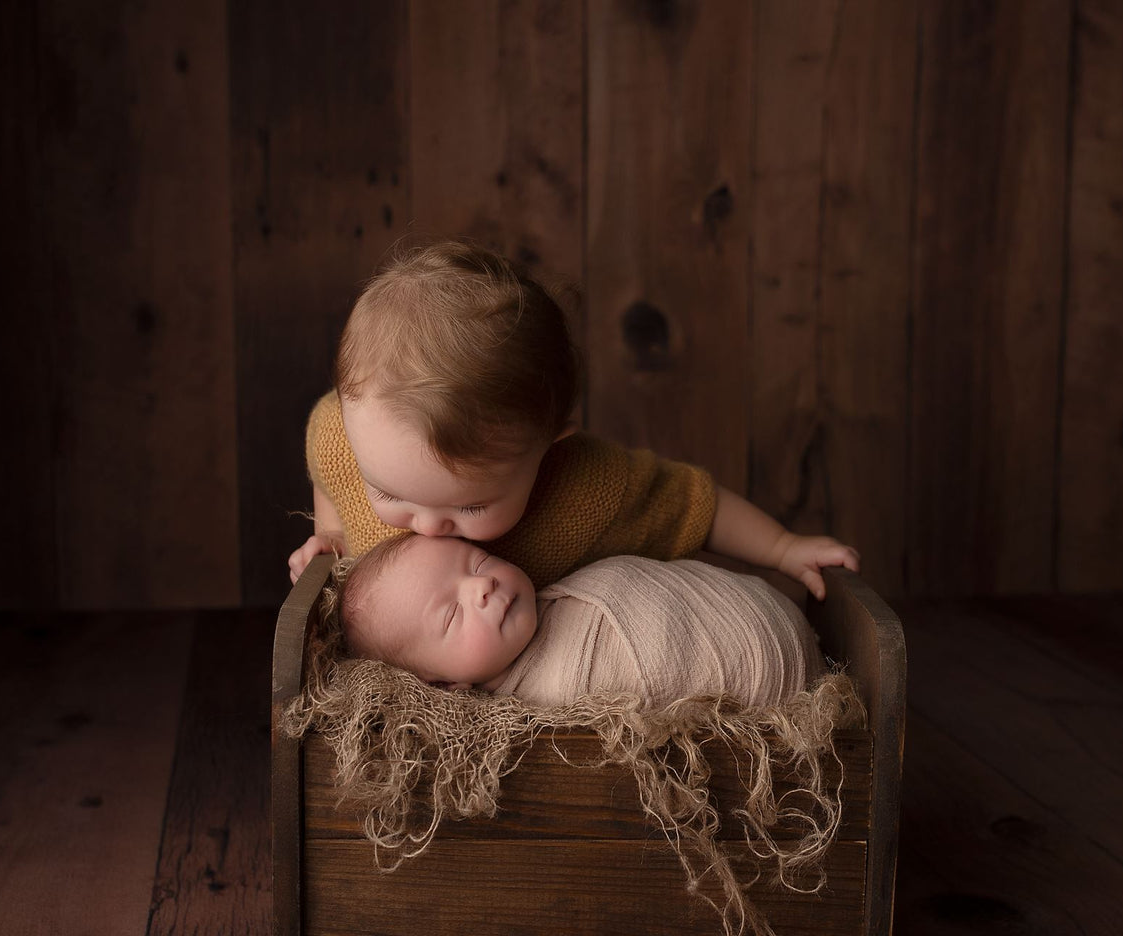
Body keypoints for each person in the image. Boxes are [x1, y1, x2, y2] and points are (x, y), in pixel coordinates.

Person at [288, 239, 859, 597]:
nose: (428, 526)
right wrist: (332, 534)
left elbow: (695, 504)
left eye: (471, 506)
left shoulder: (585, 488)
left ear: (551, 443)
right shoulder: (342, 435)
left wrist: (784, 548)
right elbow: (325, 464)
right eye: (388, 493)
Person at [339, 533, 823, 708]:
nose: (480, 586)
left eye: (478, 561)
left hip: (764, 617)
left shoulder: (566, 592)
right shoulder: (541, 707)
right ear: (444, 685)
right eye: (452, 614)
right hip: (772, 666)